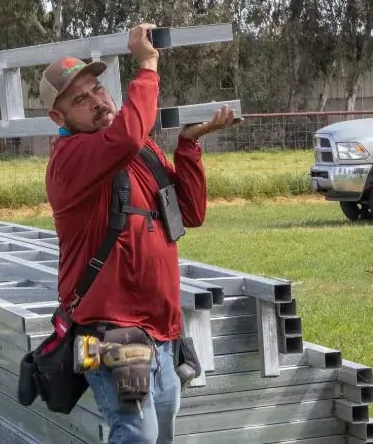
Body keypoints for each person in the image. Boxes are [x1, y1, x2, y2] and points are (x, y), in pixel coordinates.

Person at [40, 22, 236, 443]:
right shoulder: (71, 158)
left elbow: (188, 212)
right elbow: (127, 134)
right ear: (59, 118)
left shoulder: (140, 148)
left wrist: (188, 146)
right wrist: (147, 64)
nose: (96, 101)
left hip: (162, 327)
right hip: (107, 330)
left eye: (97, 89)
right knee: (137, 433)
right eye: (80, 99)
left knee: (161, 428)